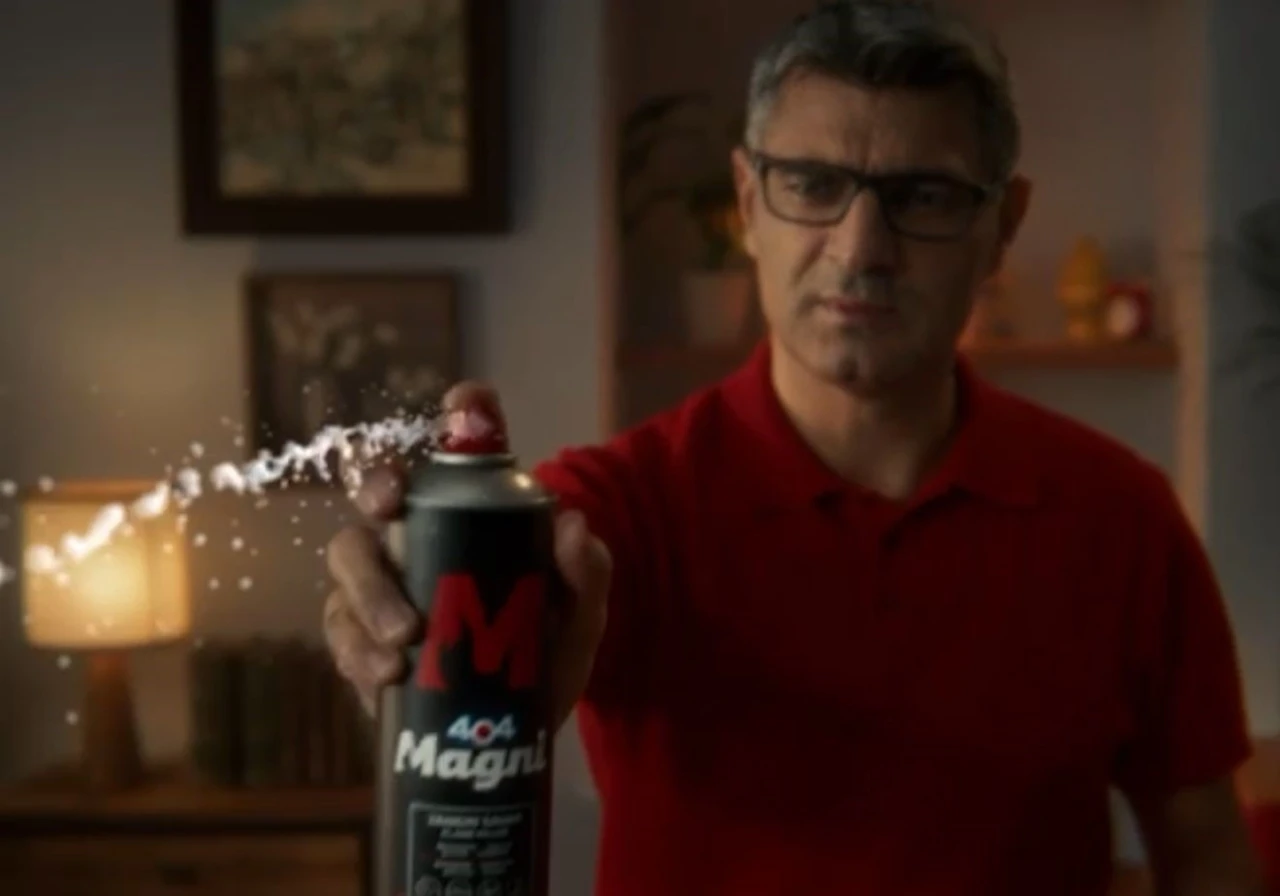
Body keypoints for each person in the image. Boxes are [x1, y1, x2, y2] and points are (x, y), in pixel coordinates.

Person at [323, 2, 1265, 893]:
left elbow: (1207, 854)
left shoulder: (1122, 517)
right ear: (748, 202)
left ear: (1001, 228)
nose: (860, 250)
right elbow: (510, 595)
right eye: (813, 186)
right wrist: (409, 616)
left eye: (923, 195)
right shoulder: (623, 509)